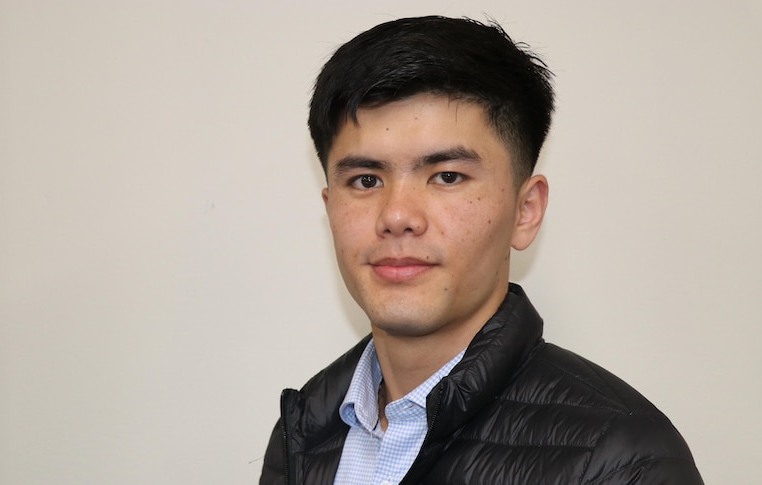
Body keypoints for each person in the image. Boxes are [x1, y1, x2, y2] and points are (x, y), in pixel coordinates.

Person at [260, 16, 702, 485]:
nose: (396, 216)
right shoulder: (304, 430)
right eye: (366, 180)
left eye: (447, 176)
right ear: (330, 208)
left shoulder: (624, 459)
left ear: (525, 210)